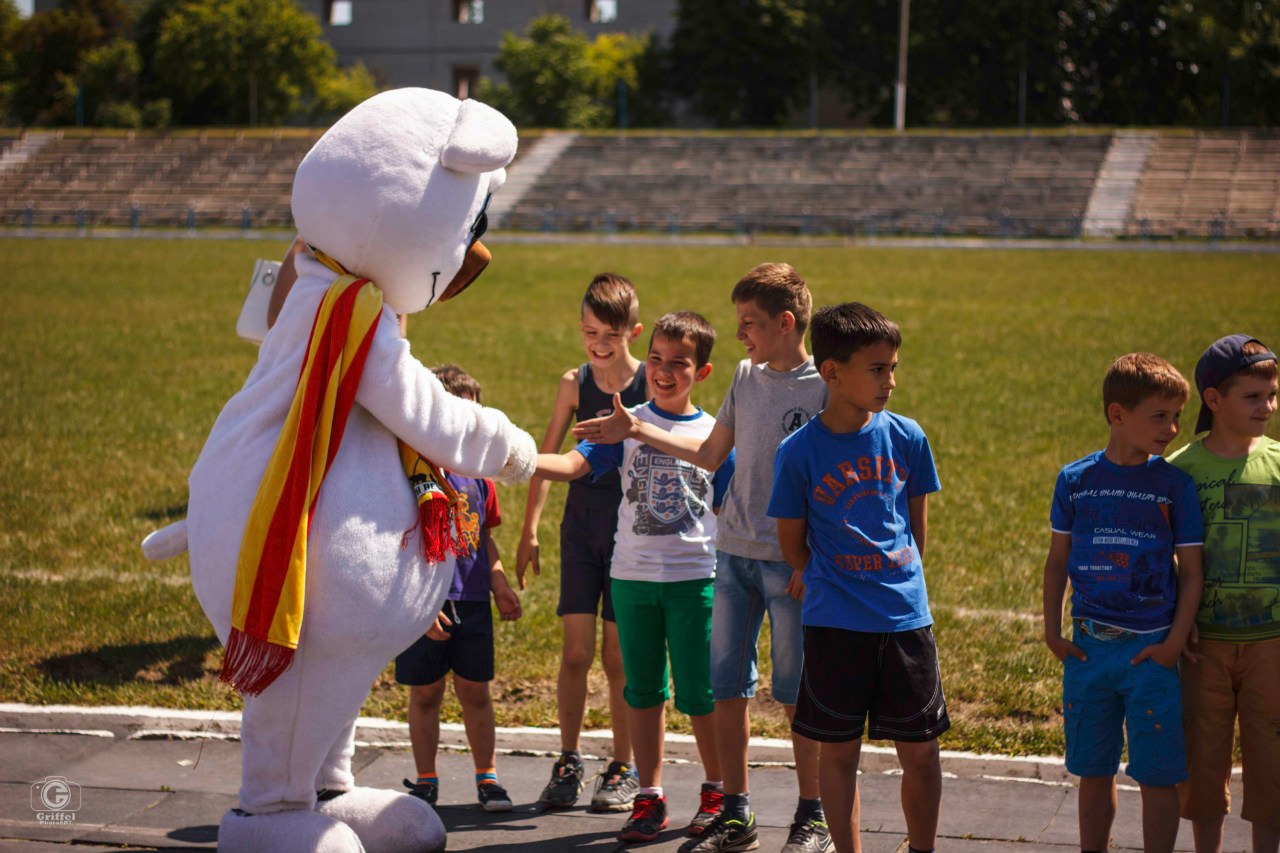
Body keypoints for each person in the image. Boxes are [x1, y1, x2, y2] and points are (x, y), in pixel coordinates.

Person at [575, 262, 832, 853]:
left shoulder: (822, 387)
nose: (741, 333)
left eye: (749, 323)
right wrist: (635, 432)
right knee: (728, 691)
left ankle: (811, 815)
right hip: (733, 557)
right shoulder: (744, 374)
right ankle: (737, 811)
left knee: (795, 695)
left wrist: (806, 558)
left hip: (787, 563)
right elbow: (713, 453)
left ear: (785, 323)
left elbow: (825, 477)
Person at [534, 312, 735, 844]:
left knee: (699, 694)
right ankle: (649, 796)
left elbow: (736, 506)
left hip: (694, 582)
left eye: (679, 363)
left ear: (704, 370)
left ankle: (718, 792)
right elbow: (575, 466)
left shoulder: (715, 434)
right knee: (643, 693)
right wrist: (506, 459)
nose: (664, 372)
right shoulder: (625, 421)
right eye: (656, 360)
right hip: (632, 579)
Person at [767, 302, 948, 853]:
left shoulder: (908, 437)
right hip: (835, 623)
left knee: (920, 750)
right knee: (839, 751)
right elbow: (791, 540)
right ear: (831, 372)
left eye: (893, 367)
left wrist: (896, 580)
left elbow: (916, 532)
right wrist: (820, 574)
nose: (889, 380)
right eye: (877, 369)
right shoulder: (798, 451)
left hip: (903, 620)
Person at [1042, 352, 1205, 853]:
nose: (1173, 428)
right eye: (1160, 416)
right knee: (1093, 773)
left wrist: (1173, 642)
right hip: (1089, 651)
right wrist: (1053, 632)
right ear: (1118, 414)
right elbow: (1056, 562)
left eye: (1178, 416)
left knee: (1158, 776)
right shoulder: (1075, 479)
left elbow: (1193, 571)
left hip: (1151, 653)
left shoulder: (1175, 486)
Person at [516, 273, 648, 811]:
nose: (598, 345)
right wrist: (528, 530)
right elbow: (546, 460)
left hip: (629, 527)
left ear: (632, 333)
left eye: (609, 336)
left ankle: (623, 765)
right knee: (575, 653)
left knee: (618, 658)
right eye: (590, 332)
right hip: (580, 525)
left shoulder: (648, 383)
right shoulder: (574, 383)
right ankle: (568, 759)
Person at [1168, 335, 1280, 853]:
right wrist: (1179, 614)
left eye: (1272, 394)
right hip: (1202, 647)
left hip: (1271, 646)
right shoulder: (1180, 469)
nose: (1268, 406)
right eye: (1253, 396)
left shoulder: (1278, 462)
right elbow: (1164, 552)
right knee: (1202, 766)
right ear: (1213, 400)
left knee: (1273, 770)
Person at [397, 365, 523, 812]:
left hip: (472, 602)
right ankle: (426, 781)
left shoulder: (480, 476)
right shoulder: (411, 471)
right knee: (426, 693)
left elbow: (483, 538)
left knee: (475, 692)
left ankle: (487, 779)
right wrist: (419, 605)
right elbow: (399, 544)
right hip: (424, 604)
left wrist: (500, 582)